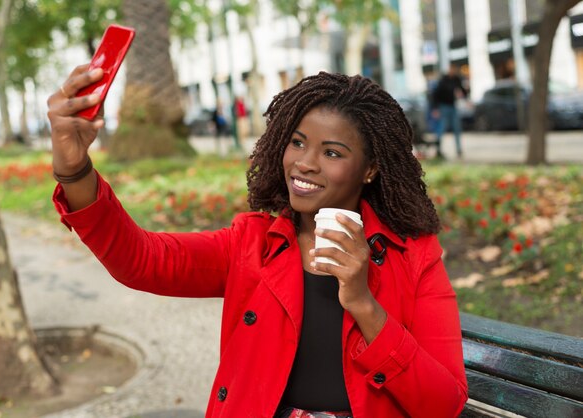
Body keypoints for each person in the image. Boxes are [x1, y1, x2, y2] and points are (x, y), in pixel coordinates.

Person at [47, 66, 468, 417]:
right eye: (297, 142)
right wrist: (74, 169)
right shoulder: (252, 243)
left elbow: (444, 405)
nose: (304, 162)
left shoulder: (414, 256)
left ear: (371, 169)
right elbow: (141, 260)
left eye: (333, 153)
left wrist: (363, 303)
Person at [431, 65, 468, 158]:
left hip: (452, 106)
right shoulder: (443, 81)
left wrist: (466, 92)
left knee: (457, 128)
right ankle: (438, 149)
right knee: (442, 128)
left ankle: (459, 150)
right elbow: (435, 95)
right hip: (443, 107)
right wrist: (435, 108)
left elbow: (463, 91)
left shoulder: (456, 80)